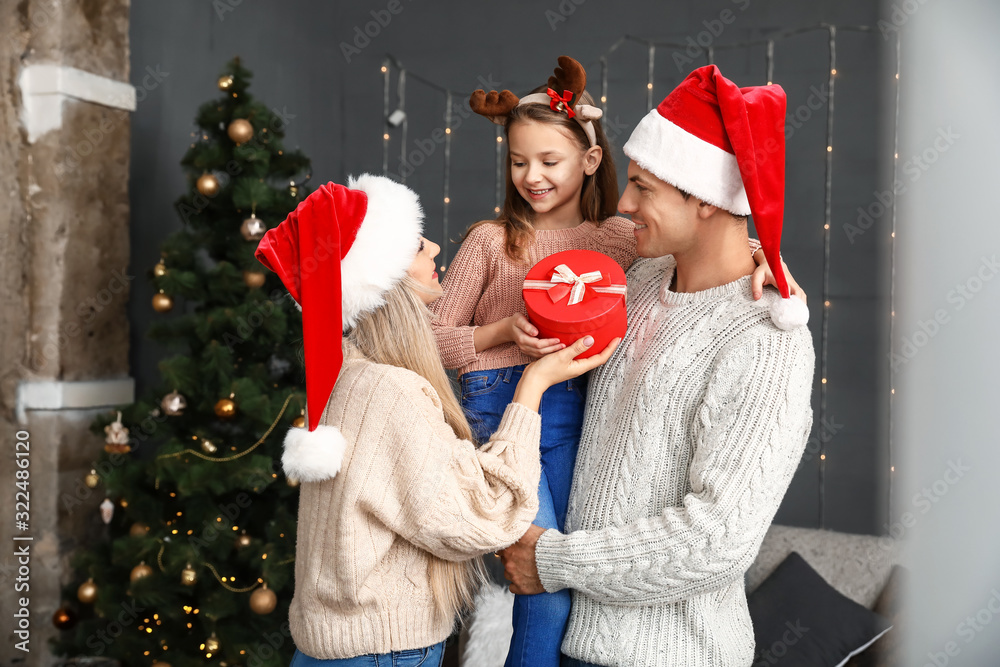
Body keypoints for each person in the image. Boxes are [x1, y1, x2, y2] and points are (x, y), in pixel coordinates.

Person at [431, 57, 804, 667]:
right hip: (581, 640)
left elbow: (717, 540)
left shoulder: (765, 339)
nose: (625, 204)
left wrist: (550, 560)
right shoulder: (640, 280)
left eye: (645, 188)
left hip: (668, 655)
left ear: (705, 199)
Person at [253, 174, 619, 666]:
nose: (431, 244)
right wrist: (532, 385)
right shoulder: (390, 391)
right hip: (381, 654)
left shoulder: (354, 375)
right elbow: (484, 517)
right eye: (412, 243)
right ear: (384, 275)